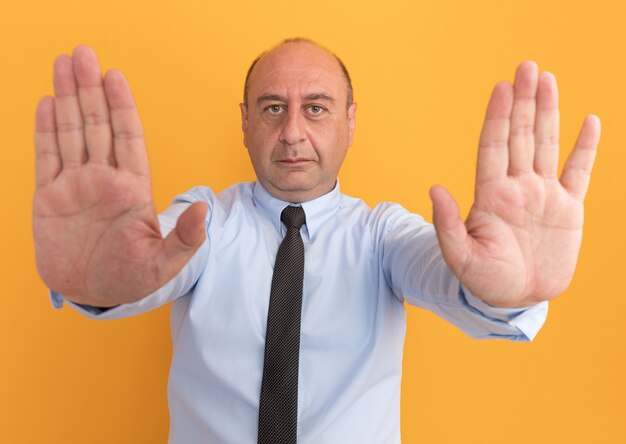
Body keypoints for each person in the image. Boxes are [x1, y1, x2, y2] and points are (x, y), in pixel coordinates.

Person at [34, 38, 601, 443]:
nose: (293, 133)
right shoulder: (201, 222)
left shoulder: (383, 235)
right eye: (273, 108)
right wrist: (106, 283)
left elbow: (442, 270)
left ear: (350, 122)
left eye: (317, 109)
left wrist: (505, 290)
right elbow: (150, 261)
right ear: (246, 122)